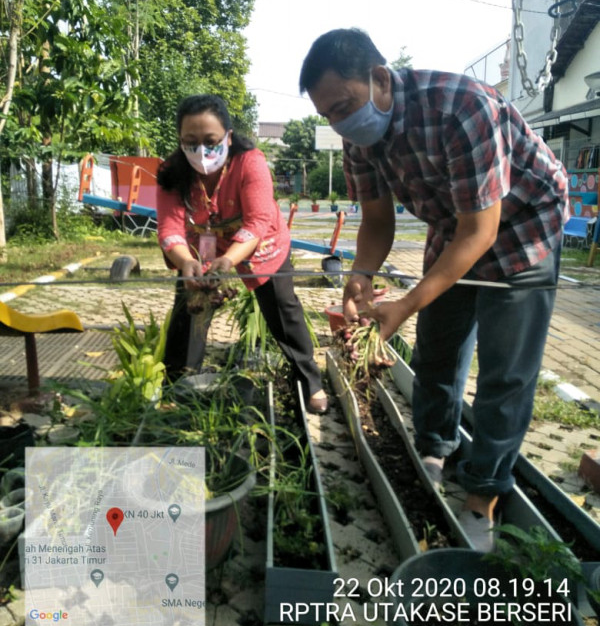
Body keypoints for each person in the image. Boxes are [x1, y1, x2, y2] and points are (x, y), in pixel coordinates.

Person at [299, 28, 569, 550]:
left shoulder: (460, 107)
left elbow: (481, 232)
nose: (340, 122)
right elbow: (377, 222)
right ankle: (434, 448)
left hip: (524, 225)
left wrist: (404, 304)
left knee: (505, 370)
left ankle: (483, 494)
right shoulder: (360, 139)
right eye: (328, 114)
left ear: (380, 78)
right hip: (454, 227)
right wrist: (362, 274)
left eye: (345, 106)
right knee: (438, 348)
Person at [156, 93, 328, 414]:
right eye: (190, 142)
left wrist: (229, 260)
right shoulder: (172, 172)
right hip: (202, 248)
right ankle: (177, 387)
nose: (201, 151)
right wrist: (186, 262)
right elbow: (169, 230)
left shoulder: (250, 162)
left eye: (210, 141)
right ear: (180, 140)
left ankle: (310, 380)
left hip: (259, 244)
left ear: (228, 137)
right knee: (189, 309)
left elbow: (258, 221)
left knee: (282, 309)